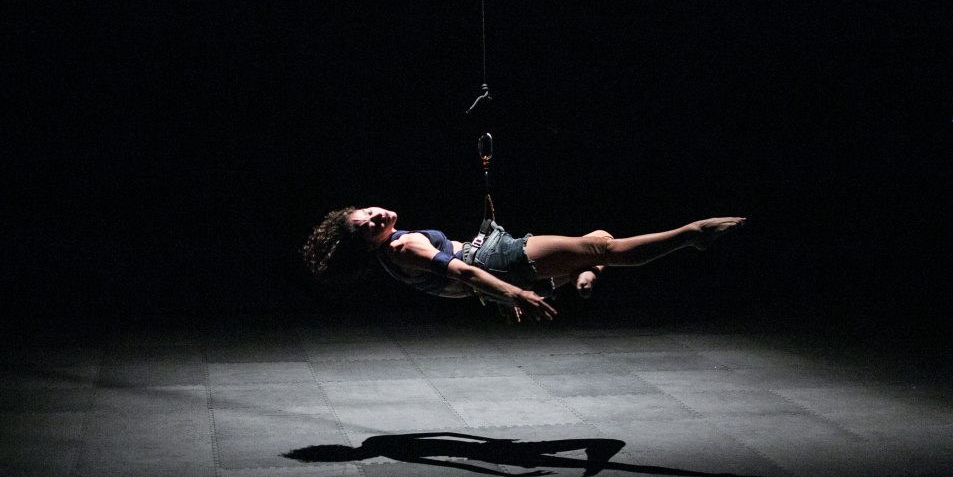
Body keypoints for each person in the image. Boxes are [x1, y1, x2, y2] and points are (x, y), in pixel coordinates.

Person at [302, 206, 745, 323]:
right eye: (368, 226)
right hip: (496, 261)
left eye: (368, 212)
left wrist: (496, 297)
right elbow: (462, 273)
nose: (376, 217)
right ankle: (693, 234)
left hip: (493, 267)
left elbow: (455, 289)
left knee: (597, 239)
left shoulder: (390, 255)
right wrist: (514, 294)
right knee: (605, 247)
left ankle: (584, 276)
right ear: (368, 243)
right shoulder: (404, 249)